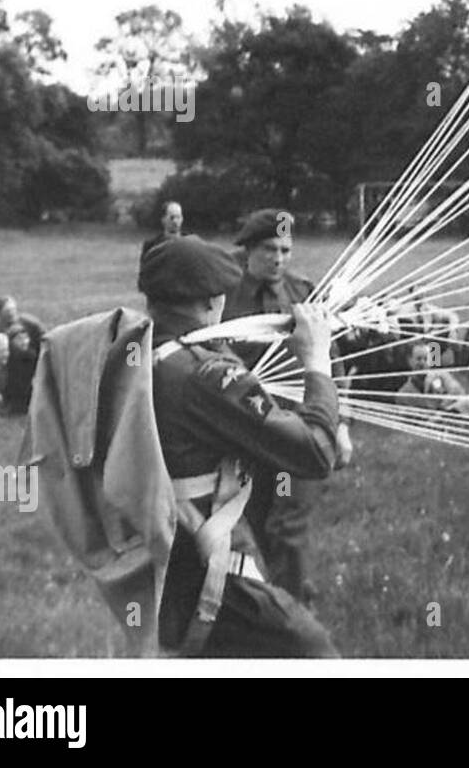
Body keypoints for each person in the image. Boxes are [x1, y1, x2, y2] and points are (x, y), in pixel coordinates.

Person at [138, 235, 340, 656]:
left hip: (153, 556)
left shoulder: (138, 352)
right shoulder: (205, 375)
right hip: (203, 563)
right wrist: (317, 360)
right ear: (213, 301)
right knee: (311, 650)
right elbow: (316, 452)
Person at [223, 207, 352, 605]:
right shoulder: (226, 298)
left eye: (285, 250)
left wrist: (341, 423)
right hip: (250, 429)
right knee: (259, 520)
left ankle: (292, 618)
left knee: (286, 523)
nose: (278, 259)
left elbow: (331, 360)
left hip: (300, 425)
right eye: (268, 250)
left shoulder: (302, 293)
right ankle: (291, 588)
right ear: (248, 250)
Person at [395, 341, 469, 416]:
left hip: (453, 416)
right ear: (409, 360)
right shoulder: (403, 394)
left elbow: (457, 391)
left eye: (426, 358)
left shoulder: (442, 375)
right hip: (431, 429)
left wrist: (443, 408)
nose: (423, 363)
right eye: (419, 359)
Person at [3, 324, 39, 414]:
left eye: (26, 338)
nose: (24, 342)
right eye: (19, 339)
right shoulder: (9, 359)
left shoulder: (32, 356)